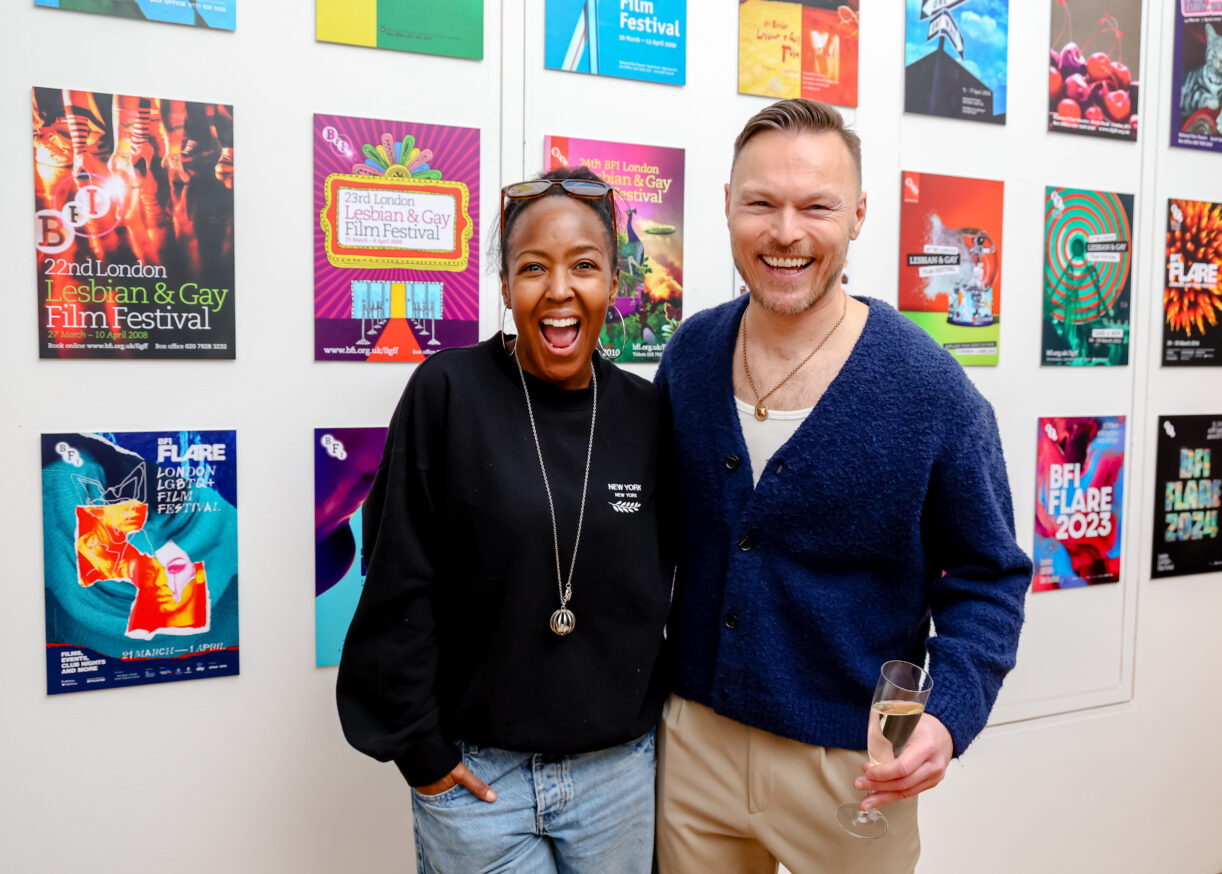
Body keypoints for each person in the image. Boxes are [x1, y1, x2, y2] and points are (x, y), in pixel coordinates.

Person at [654, 98, 1032, 873]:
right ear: (726, 206)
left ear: (857, 216)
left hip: (852, 767)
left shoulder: (930, 391)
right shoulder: (689, 354)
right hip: (692, 744)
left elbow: (990, 576)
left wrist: (949, 715)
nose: (785, 232)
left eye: (815, 207)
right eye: (760, 202)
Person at [337, 166, 676, 873]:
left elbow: (670, 582)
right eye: (533, 268)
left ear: (614, 282)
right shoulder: (447, 392)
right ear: (503, 286)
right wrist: (420, 752)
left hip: (617, 776)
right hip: (478, 779)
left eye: (584, 265)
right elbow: (399, 579)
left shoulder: (646, 415)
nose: (559, 290)